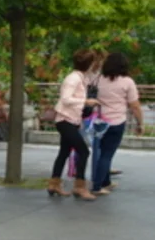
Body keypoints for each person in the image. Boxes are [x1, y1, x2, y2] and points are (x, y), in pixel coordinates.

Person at [47, 50, 100, 200]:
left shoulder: (80, 78)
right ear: (89, 64)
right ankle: (79, 187)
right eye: (93, 63)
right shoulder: (74, 79)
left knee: (64, 152)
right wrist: (86, 101)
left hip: (70, 120)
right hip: (65, 120)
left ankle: (54, 184)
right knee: (83, 152)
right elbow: (65, 99)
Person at [93, 52, 143, 195]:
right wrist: (140, 124)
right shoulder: (127, 82)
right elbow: (135, 106)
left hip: (99, 121)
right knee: (107, 154)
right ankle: (97, 187)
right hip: (116, 122)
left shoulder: (99, 79)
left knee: (102, 152)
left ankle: (106, 182)